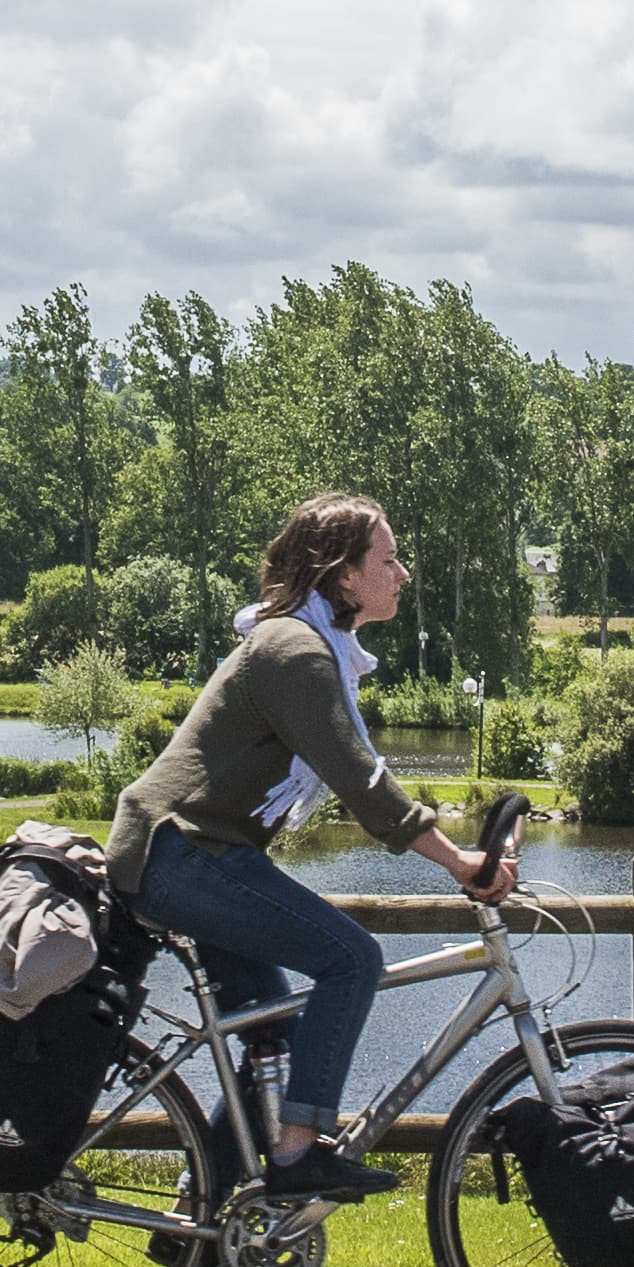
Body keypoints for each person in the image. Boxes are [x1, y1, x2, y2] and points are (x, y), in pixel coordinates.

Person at [107, 493, 519, 1199]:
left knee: (274, 1034)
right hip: (181, 856)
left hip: (187, 853)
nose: (404, 574)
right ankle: (297, 1157)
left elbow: (356, 769)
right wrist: (459, 862)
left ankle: (196, 1226)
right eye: (388, 560)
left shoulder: (307, 644)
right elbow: (359, 777)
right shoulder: (294, 650)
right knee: (351, 959)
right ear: (345, 576)